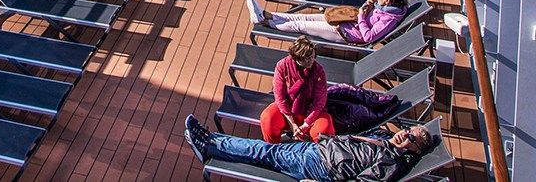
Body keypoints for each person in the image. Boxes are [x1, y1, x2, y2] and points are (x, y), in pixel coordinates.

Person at [185, 115, 436, 181]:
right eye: (408, 130)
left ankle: (209, 143)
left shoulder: (391, 162)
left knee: (265, 152)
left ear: (414, 150)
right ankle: (212, 143)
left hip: (321, 166)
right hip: (321, 150)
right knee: (266, 153)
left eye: (410, 138)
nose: (404, 133)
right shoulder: (386, 139)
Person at [248, 0, 411, 46]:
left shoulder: (389, 19)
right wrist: (370, 3)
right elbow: (371, 14)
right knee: (303, 17)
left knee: (300, 26)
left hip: (344, 32)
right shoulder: (387, 8)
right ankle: (266, 14)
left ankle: (264, 21)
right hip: (346, 21)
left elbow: (368, 37)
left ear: (388, 1)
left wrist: (362, 16)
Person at [261, 37, 333, 144]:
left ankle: (319, 151)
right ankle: (273, 146)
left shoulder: (318, 71)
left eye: (312, 57)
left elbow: (319, 101)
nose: (310, 61)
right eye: (306, 58)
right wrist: (292, 123)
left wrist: (306, 124)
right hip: (288, 110)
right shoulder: (282, 66)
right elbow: (280, 96)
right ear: (296, 58)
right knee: (267, 118)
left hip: (310, 112)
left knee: (324, 128)